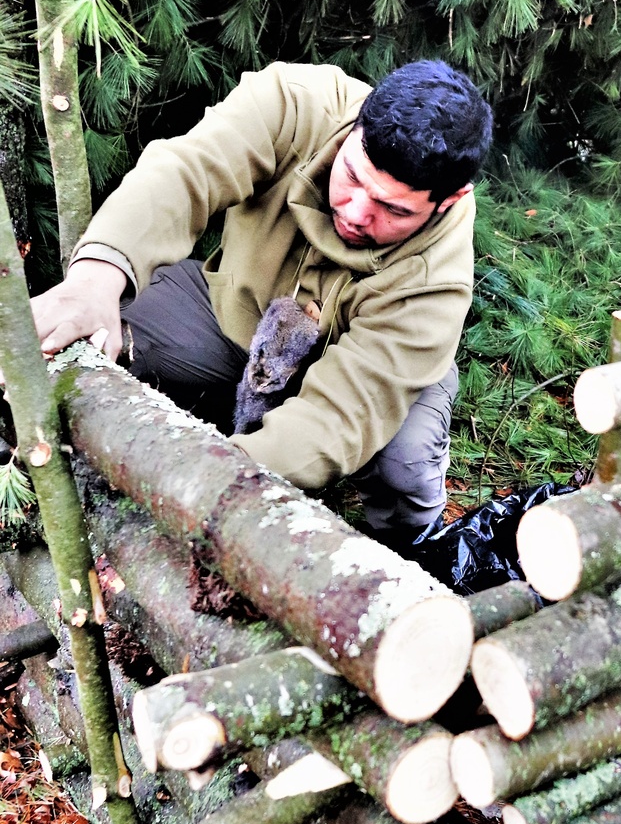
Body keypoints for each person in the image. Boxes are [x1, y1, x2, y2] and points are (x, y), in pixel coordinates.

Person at [30, 59, 493, 551]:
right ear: (355, 128)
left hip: (374, 372)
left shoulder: (436, 281)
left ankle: (402, 550)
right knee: (101, 336)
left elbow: (336, 420)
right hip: (235, 312)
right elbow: (184, 174)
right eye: (352, 177)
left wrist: (205, 479)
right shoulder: (294, 102)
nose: (356, 213)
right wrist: (96, 279)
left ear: (449, 199)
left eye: (394, 209)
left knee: (405, 469)